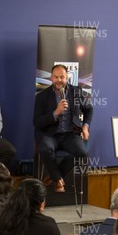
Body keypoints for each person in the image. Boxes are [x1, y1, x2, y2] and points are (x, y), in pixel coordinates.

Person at [33, 64, 93, 193]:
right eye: (56, 77)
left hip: (70, 134)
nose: (59, 80)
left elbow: (89, 109)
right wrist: (56, 112)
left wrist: (85, 126)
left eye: (62, 77)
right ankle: (58, 180)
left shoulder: (76, 92)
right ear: (51, 78)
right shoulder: (42, 96)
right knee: (46, 149)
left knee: (82, 153)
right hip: (49, 134)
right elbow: (37, 122)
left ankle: (54, 176)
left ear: (67, 78)